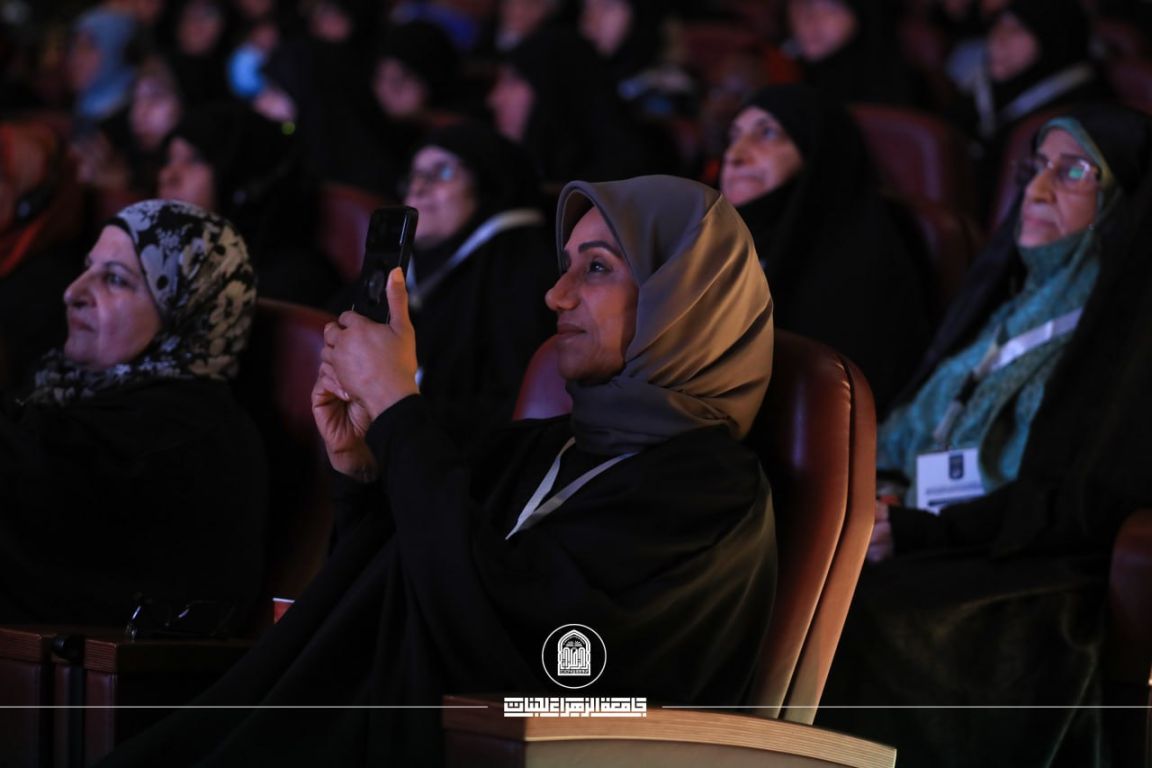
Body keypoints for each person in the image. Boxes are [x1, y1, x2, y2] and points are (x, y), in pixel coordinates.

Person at [97, 174, 776, 767]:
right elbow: (410, 588)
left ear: (684, 300)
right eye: (565, 266)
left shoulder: (712, 493)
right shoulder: (536, 448)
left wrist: (399, 413)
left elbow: (545, 657)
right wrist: (365, 477)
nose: (556, 295)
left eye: (596, 268)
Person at [819, 103, 1152, 767]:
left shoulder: (1132, 331)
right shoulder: (1015, 294)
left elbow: (1081, 499)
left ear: (1126, 201)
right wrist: (873, 493)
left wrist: (919, 530)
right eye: (1037, 166)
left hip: (1030, 568)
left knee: (847, 623)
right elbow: (916, 425)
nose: (1038, 188)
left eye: (1074, 171)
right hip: (927, 529)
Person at [0, 199, 267, 628]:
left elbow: (31, 477)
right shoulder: (71, 383)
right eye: (88, 267)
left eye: (115, 279)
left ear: (187, 308)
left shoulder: (191, 430)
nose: (73, 292)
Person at [720, 84, 933, 415]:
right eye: (733, 136)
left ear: (817, 154)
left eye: (767, 133)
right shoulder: (708, 244)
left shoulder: (863, 264)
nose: (735, 155)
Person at [397, 119, 557, 446]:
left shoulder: (521, 274)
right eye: (415, 175)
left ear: (488, 184)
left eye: (442, 172)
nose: (419, 189)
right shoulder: (398, 264)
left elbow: (513, 408)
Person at [157, 101, 339, 307]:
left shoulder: (293, 284)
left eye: (195, 160)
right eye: (169, 160)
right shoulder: (168, 264)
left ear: (244, 183)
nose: (167, 176)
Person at [487, 26, 672, 185]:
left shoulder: (620, 183)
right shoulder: (516, 172)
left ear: (557, 91)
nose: (494, 99)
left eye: (511, 82)